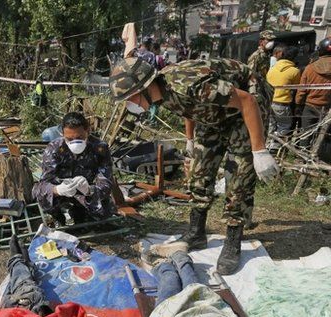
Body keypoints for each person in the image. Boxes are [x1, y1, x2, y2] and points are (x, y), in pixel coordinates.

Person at [109, 56, 278, 275]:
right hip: (215, 112)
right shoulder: (163, 94)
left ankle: (233, 238)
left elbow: (247, 101)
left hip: (247, 104)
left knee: (238, 174)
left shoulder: (190, 85)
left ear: (146, 87)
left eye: (131, 98)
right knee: (199, 171)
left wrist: (259, 150)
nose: (130, 104)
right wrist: (190, 140)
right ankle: (196, 232)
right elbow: (188, 109)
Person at [133, 251, 271, 317]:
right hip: (207, 316)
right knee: (193, 287)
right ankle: (182, 262)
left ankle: (167, 266)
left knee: (171, 282)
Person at [33, 112, 116, 226]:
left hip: (86, 194)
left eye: (79, 137)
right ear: (62, 134)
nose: (75, 142)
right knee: (42, 195)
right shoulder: (54, 148)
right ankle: (58, 218)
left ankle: (80, 213)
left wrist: (89, 190)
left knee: (106, 211)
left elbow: (106, 182)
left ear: (88, 131)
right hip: (62, 193)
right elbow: (44, 182)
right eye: (69, 139)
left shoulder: (100, 148)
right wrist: (57, 190)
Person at [295, 38, 331, 149]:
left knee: (306, 134)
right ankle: (317, 156)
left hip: (309, 106)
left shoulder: (310, 68)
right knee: (323, 136)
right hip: (328, 108)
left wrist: (298, 103)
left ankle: (302, 156)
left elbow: (302, 90)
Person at [266, 46, 301, 150]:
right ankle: (275, 148)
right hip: (282, 103)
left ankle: (267, 145)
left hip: (269, 101)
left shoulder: (272, 69)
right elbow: (296, 87)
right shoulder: (294, 71)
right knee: (284, 126)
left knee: (271, 125)